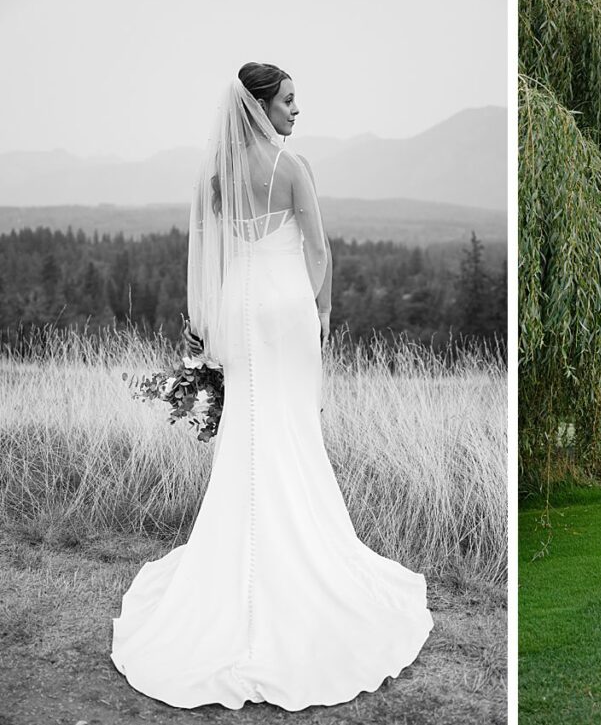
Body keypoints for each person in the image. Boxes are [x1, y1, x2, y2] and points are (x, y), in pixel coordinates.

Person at [110, 63, 433, 710]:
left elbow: (208, 255)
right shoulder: (292, 166)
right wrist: (325, 312)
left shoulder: (215, 176)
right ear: (260, 105)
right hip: (285, 310)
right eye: (288, 100)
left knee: (250, 432)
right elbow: (321, 253)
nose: (296, 111)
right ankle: (300, 568)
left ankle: (238, 568)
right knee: (289, 428)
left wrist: (207, 326)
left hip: (238, 309)